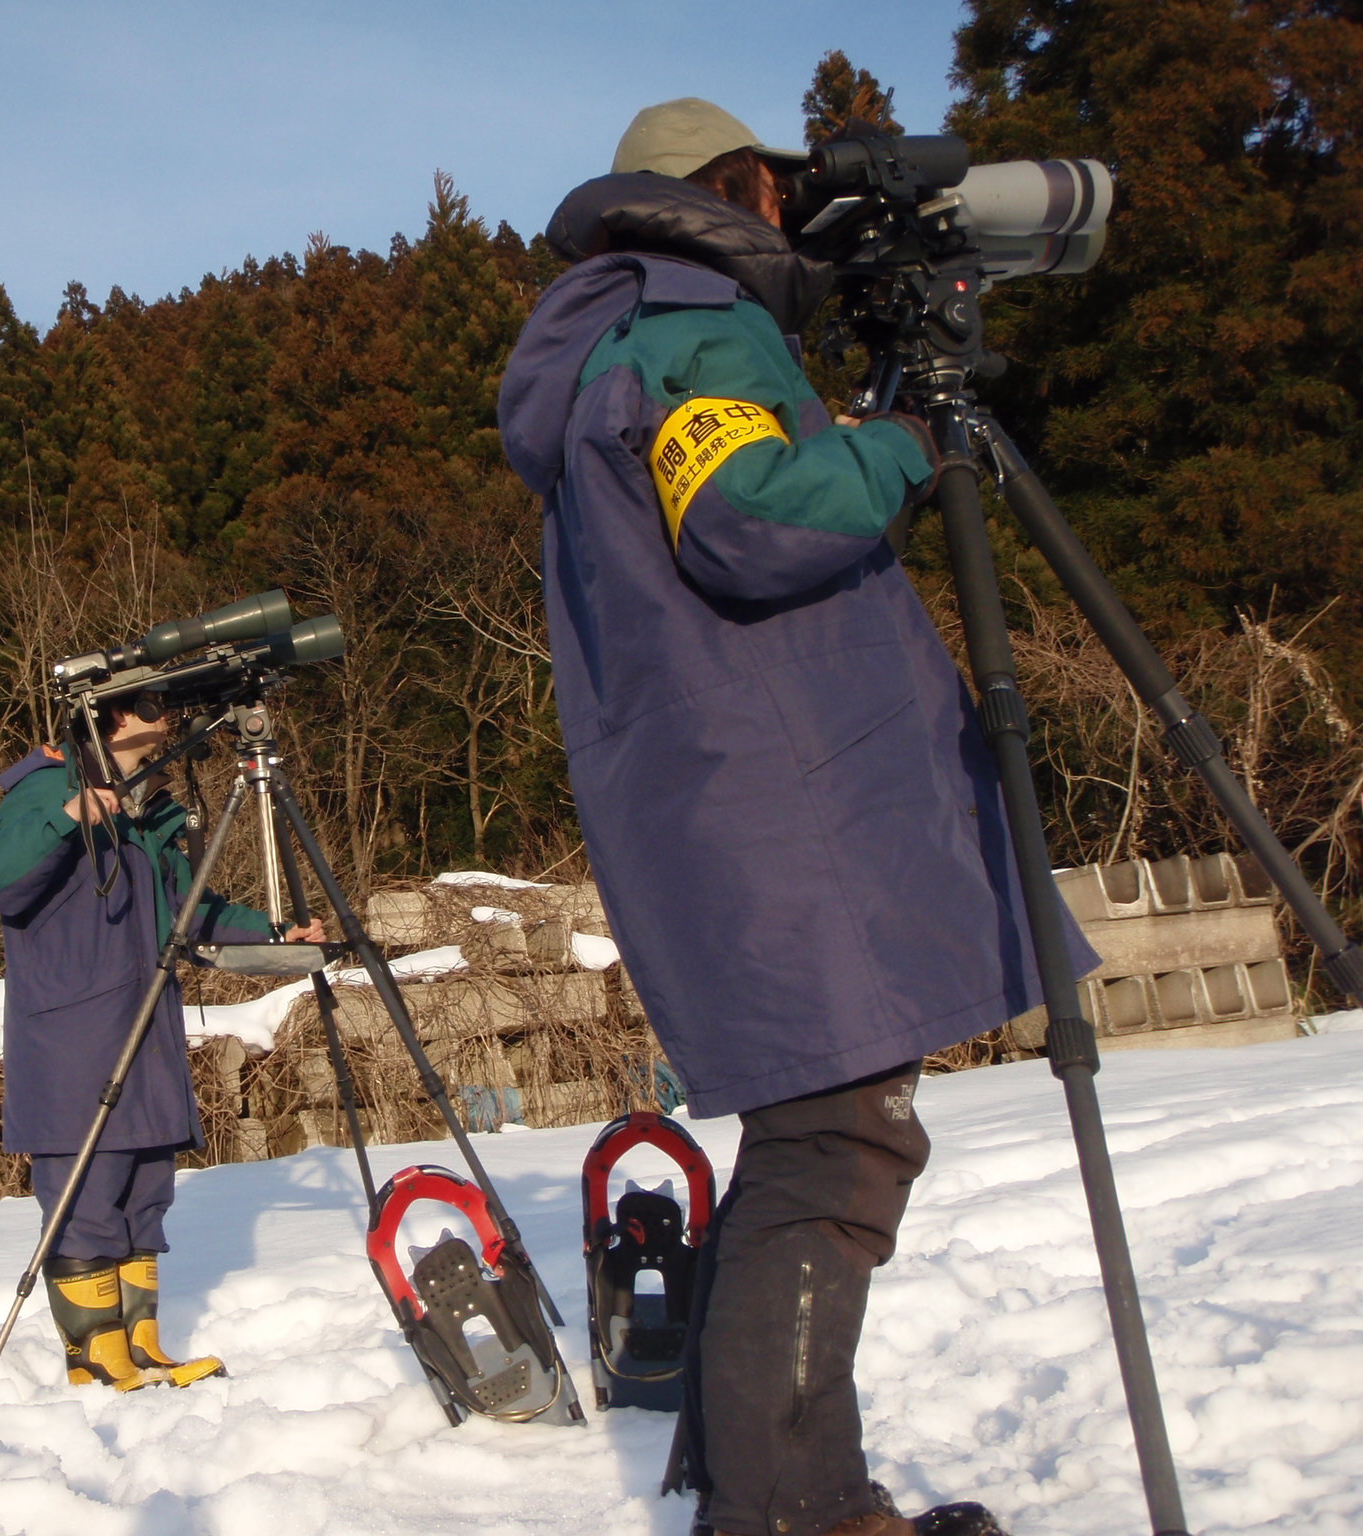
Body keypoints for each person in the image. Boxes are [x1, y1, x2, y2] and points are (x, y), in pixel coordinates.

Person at [498, 99, 1090, 1536]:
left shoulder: (610, 342)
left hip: (731, 801)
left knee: (817, 1142)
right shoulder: (689, 316)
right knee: (838, 1145)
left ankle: (798, 1491)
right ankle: (790, 1512)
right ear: (741, 187)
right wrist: (897, 445)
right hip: (778, 804)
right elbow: (753, 517)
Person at [0, 697, 321, 1391]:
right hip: (73, 1036)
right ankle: (95, 1358)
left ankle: (141, 1349)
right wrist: (70, 818)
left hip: (148, 1027)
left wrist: (275, 934)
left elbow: (194, 914)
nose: (168, 716)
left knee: (145, 1194)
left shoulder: (147, 814)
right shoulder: (43, 793)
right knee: (86, 1194)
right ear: (114, 722)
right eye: (151, 707)